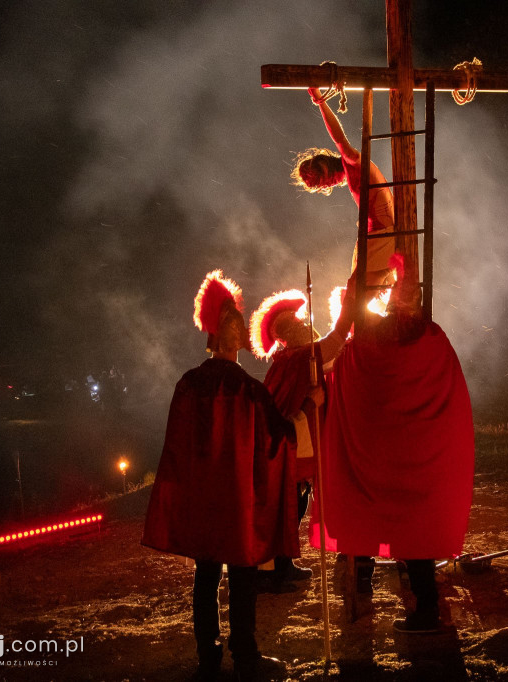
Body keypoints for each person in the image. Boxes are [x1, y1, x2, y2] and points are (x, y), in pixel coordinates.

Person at [142, 270, 321, 682]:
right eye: (237, 321)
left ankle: (209, 658)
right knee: (240, 573)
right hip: (237, 504)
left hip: (203, 504)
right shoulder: (247, 391)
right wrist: (309, 406)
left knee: (205, 576)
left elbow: (178, 452)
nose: (242, 327)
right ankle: (245, 657)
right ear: (232, 334)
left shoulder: (188, 385)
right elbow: (279, 439)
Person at [321, 255, 475, 633]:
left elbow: (348, 374)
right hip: (415, 459)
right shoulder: (430, 336)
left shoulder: (372, 340)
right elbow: (449, 394)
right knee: (413, 529)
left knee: (368, 510)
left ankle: (366, 585)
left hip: (379, 455)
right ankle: (421, 605)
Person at [249, 284, 357, 592]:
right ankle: (273, 571)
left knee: (295, 503)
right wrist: (351, 301)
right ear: (286, 334)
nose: (305, 323)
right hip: (290, 445)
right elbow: (335, 342)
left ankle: (282, 564)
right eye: (296, 323)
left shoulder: (296, 358)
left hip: (299, 444)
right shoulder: (296, 358)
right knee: (288, 505)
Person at [292, 87, 397, 288]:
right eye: (322, 186)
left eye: (324, 180)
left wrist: (320, 101)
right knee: (355, 300)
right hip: (377, 237)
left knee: (354, 301)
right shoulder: (352, 174)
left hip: (382, 237)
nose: (327, 185)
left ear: (326, 165)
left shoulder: (352, 161)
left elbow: (339, 139)